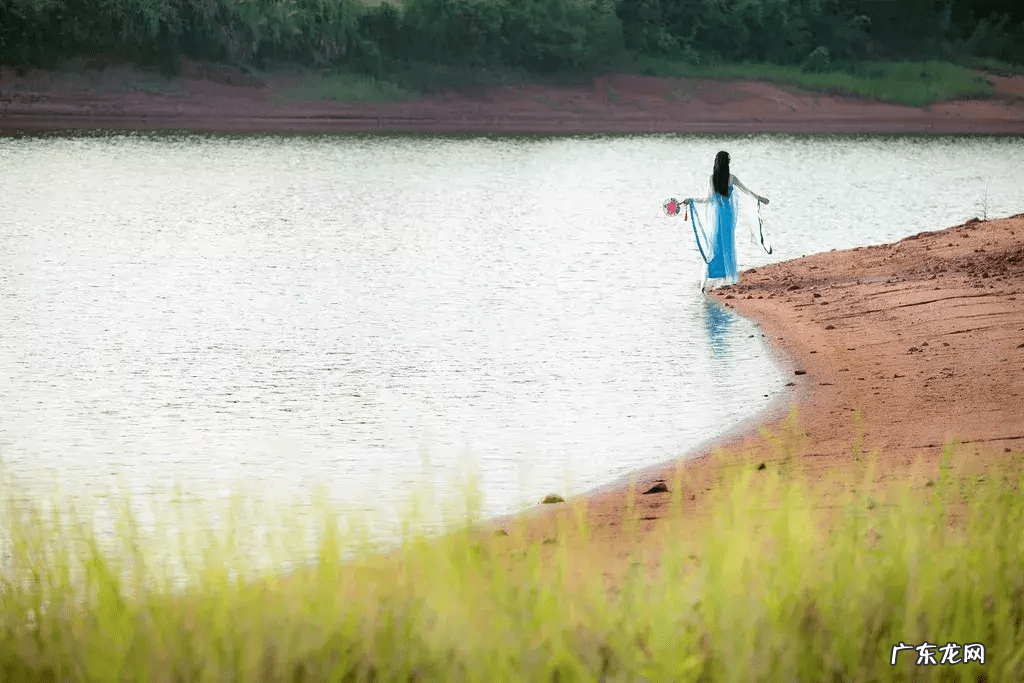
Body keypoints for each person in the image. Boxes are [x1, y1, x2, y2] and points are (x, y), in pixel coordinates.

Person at [685, 151, 770, 291]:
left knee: (715, 244)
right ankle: (725, 276)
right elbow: (747, 192)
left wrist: (691, 200)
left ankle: (712, 275)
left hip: (717, 216)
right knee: (727, 244)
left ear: (716, 164)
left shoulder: (712, 178)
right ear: (728, 164)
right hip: (728, 215)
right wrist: (759, 198)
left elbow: (707, 199)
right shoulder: (732, 178)